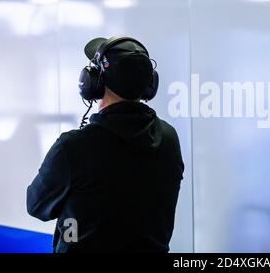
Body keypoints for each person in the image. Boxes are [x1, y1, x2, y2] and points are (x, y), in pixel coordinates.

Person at [27, 36, 184, 253]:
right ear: (149, 84)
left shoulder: (74, 146)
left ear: (93, 82)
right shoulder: (169, 138)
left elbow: (36, 206)